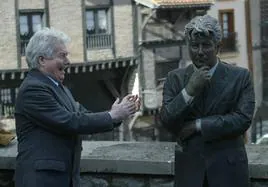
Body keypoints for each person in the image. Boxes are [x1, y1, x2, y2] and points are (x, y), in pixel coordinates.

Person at [14, 28, 140, 187]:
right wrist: (113, 115)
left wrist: (118, 113)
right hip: (42, 180)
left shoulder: (59, 88)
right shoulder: (33, 89)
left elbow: (82, 115)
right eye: (62, 56)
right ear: (42, 60)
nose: (68, 62)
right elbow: (68, 121)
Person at [160, 15, 255, 187]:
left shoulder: (241, 77)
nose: (200, 51)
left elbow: (242, 120)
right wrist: (189, 90)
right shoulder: (175, 78)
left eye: (206, 45)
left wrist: (198, 125)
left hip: (229, 173)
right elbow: (167, 120)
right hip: (189, 174)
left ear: (218, 47)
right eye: (195, 46)